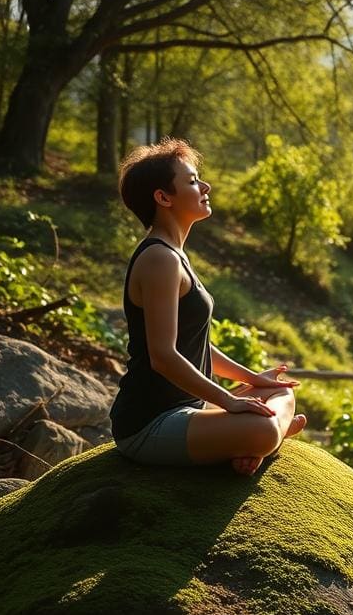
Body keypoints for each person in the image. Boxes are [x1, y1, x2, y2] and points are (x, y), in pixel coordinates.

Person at [109, 138, 306, 476]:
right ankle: (265, 440)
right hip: (150, 423)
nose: (205, 185)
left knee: (276, 389)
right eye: (192, 180)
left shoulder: (174, 254)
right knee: (263, 427)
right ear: (163, 197)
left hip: (187, 408)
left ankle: (254, 441)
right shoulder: (159, 258)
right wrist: (229, 401)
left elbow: (195, 345)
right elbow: (163, 356)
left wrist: (253, 378)